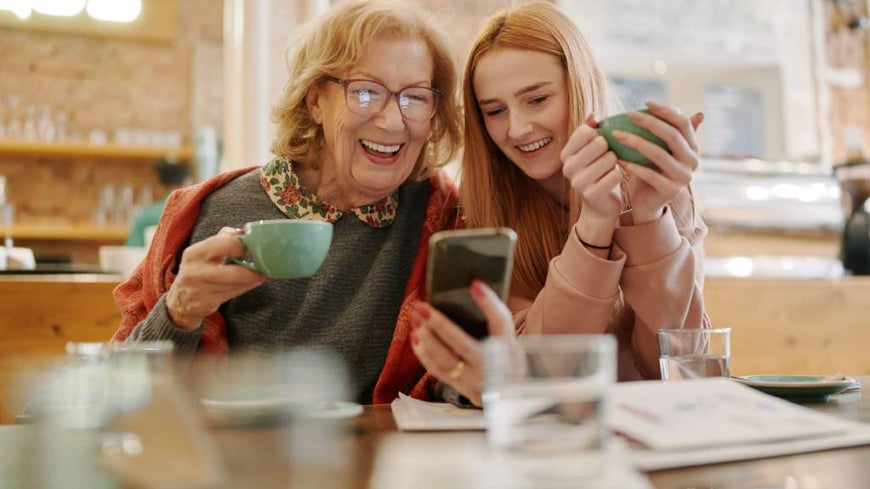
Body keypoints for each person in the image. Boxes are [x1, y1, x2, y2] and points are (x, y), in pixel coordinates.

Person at [110, 0, 463, 405]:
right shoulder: (214, 212)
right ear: (315, 101)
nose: (392, 120)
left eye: (415, 98)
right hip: (251, 460)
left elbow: (454, 373)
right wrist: (181, 309)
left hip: (391, 461)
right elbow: (119, 392)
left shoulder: (439, 215)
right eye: (365, 92)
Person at [410, 1, 710, 407]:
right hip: (545, 436)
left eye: (537, 100)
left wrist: (648, 217)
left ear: (579, 85)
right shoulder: (484, 214)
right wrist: (594, 225)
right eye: (495, 111)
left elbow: (678, 360)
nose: (517, 128)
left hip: (649, 432)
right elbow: (535, 370)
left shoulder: (659, 186)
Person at [125, 159, 191, 247]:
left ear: (159, 184)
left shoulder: (145, 216)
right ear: (185, 183)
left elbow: (132, 251)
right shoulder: (193, 212)